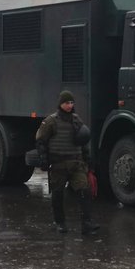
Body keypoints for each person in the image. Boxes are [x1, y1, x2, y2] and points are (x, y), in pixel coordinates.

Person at [35, 90, 98, 235]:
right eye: (66, 103)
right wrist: (43, 159)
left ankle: (87, 224)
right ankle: (60, 223)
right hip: (58, 165)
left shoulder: (76, 120)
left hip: (76, 164)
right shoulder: (51, 121)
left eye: (71, 102)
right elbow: (41, 141)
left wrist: (88, 159)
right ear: (60, 104)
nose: (69, 105)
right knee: (58, 194)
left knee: (84, 191)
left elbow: (83, 141)